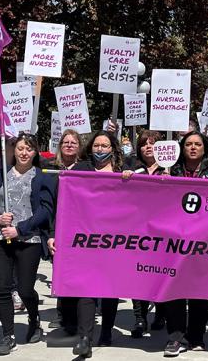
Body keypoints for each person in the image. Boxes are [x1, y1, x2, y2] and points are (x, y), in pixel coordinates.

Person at [0, 133, 55, 355]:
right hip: (0, 239)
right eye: (21, 148)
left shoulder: (42, 178)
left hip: (28, 239)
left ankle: (34, 318)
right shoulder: (0, 176)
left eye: (29, 149)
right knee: (3, 288)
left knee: (24, 288)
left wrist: (20, 228)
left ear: (35, 152)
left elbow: (46, 210)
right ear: (14, 150)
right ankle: (8, 335)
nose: (24, 153)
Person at [67, 130, 134, 356]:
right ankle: (85, 337)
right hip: (86, 238)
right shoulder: (81, 170)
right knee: (87, 287)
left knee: (109, 287)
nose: (100, 149)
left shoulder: (122, 171)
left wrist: (130, 179)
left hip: (115, 239)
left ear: (113, 149)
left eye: (105, 146)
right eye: (97, 145)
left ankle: (106, 330)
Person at [164, 131, 208, 357]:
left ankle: (196, 336)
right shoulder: (172, 167)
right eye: (188, 144)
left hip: (204, 239)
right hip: (175, 239)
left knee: (200, 289)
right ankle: (175, 338)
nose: (193, 147)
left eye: (197, 144)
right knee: (174, 289)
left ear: (204, 147)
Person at [125, 130, 168, 336]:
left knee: (159, 276)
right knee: (136, 276)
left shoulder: (170, 168)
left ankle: (160, 313)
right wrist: (123, 178)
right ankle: (139, 318)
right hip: (137, 231)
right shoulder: (131, 167)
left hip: (164, 233)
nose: (148, 147)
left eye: (152, 143)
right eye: (144, 144)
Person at [45, 130, 83, 332]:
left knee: (79, 275)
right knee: (61, 273)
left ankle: (79, 317)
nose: (69, 145)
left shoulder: (86, 169)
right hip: (59, 228)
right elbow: (49, 205)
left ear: (79, 146)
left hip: (81, 230)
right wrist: (51, 233)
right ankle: (63, 315)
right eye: (65, 142)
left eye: (73, 142)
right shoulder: (51, 170)